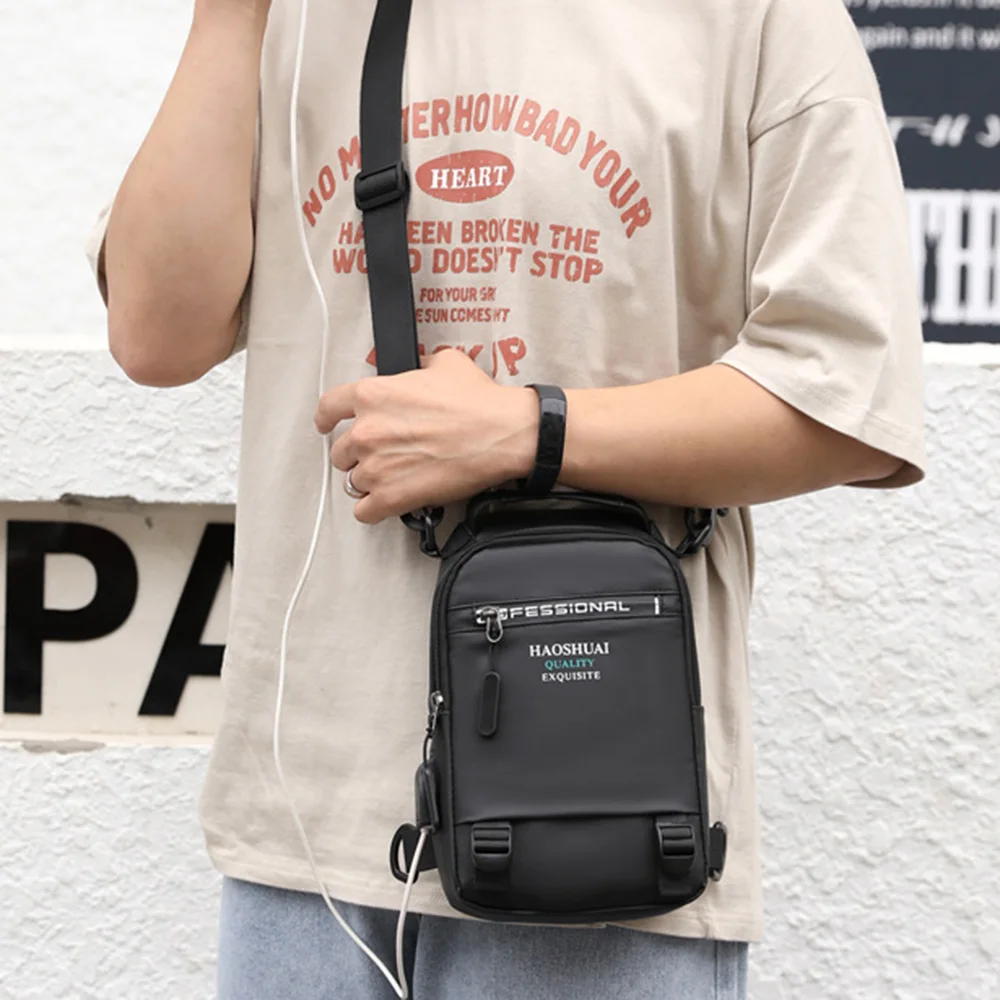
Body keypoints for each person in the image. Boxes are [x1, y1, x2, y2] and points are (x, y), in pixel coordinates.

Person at [86, 0, 926, 996]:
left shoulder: (758, 18)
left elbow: (845, 400)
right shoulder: (290, 21)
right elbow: (156, 335)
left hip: (601, 829)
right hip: (303, 837)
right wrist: (231, 19)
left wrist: (529, 431)